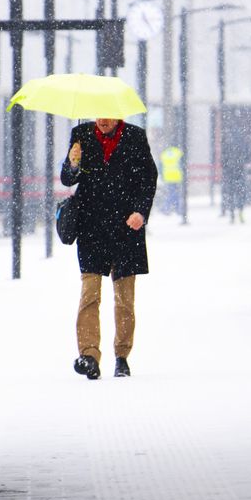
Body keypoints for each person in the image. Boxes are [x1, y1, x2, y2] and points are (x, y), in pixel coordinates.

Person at [61, 117, 158, 380]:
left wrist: (141, 211)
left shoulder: (135, 137)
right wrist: (73, 162)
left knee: (124, 299)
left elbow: (149, 179)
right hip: (91, 227)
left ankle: (122, 356)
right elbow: (67, 180)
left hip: (127, 228)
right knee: (89, 294)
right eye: (99, 115)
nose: (102, 121)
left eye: (108, 115)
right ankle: (89, 355)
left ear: (118, 115)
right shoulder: (80, 134)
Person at [159, 144, 184, 215]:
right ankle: (173, 208)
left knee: (171, 192)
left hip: (167, 177)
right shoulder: (178, 152)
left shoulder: (164, 154)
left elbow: (160, 166)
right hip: (176, 176)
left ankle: (168, 208)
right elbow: (182, 164)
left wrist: (162, 175)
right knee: (175, 193)